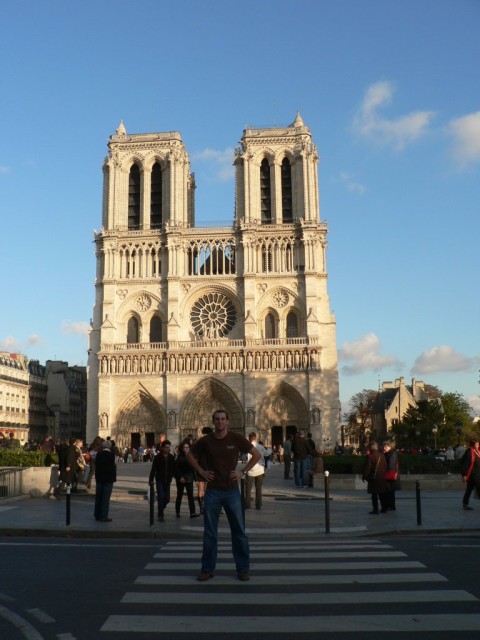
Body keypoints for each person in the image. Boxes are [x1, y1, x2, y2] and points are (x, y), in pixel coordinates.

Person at [186, 409, 260, 582]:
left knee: (239, 532)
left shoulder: (236, 439)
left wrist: (243, 472)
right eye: (217, 419)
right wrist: (201, 472)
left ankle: (243, 569)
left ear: (228, 422)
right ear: (213, 422)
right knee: (210, 533)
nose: (220, 422)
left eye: (222, 419)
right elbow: (189, 455)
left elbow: (256, 455)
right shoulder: (206, 441)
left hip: (232, 491)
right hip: (212, 491)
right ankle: (207, 569)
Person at [149, 440, 175, 521]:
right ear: (163, 448)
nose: (168, 449)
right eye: (166, 448)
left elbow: (174, 469)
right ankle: (161, 515)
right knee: (160, 497)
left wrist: (178, 477)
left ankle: (160, 509)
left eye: (169, 448)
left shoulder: (171, 457)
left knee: (167, 498)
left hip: (168, 480)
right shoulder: (157, 457)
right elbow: (153, 469)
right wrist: (151, 480)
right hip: (159, 479)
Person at [174, 440, 199, 518]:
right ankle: (177, 511)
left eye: (187, 447)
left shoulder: (191, 456)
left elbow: (194, 468)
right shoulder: (179, 457)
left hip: (189, 478)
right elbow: (176, 469)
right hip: (181, 479)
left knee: (190, 496)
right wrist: (180, 477)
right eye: (184, 447)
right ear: (182, 448)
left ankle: (192, 512)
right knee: (179, 495)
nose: (186, 449)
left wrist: (196, 479)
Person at [94, 440, 116, 522]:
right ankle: (103, 516)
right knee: (105, 498)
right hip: (108, 479)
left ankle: (97, 514)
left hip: (99, 478)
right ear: (110, 447)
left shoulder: (98, 454)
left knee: (98, 497)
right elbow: (113, 466)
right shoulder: (111, 455)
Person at [362, 441, 387, 514]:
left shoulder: (370, 456)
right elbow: (385, 466)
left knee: (374, 495)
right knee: (382, 494)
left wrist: (364, 476)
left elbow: (367, 468)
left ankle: (375, 510)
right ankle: (384, 508)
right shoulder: (382, 455)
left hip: (374, 478)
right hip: (381, 478)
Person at [245, 432, 267, 510]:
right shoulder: (260, 446)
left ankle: (247, 504)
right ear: (256, 437)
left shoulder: (247, 446)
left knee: (248, 488)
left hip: (250, 470)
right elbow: (267, 454)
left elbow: (244, 458)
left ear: (249, 438)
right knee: (258, 488)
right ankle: (258, 505)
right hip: (260, 470)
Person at [461, 439, 480, 511]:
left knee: (469, 489)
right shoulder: (469, 453)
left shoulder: (477, 451)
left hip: (477, 473)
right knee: (479, 488)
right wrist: (464, 475)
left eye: (478, 444)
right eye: (476, 444)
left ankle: (465, 503)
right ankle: (465, 503)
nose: (478, 445)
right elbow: (465, 465)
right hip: (473, 474)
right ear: (472, 445)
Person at [383, 441, 401, 511]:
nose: (384, 448)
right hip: (389, 475)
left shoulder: (392, 454)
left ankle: (391, 506)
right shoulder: (388, 453)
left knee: (390, 491)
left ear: (390, 446)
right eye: (384, 446)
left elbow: (391, 465)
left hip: (390, 475)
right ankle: (389, 505)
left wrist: (384, 469)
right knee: (389, 491)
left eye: (386, 446)